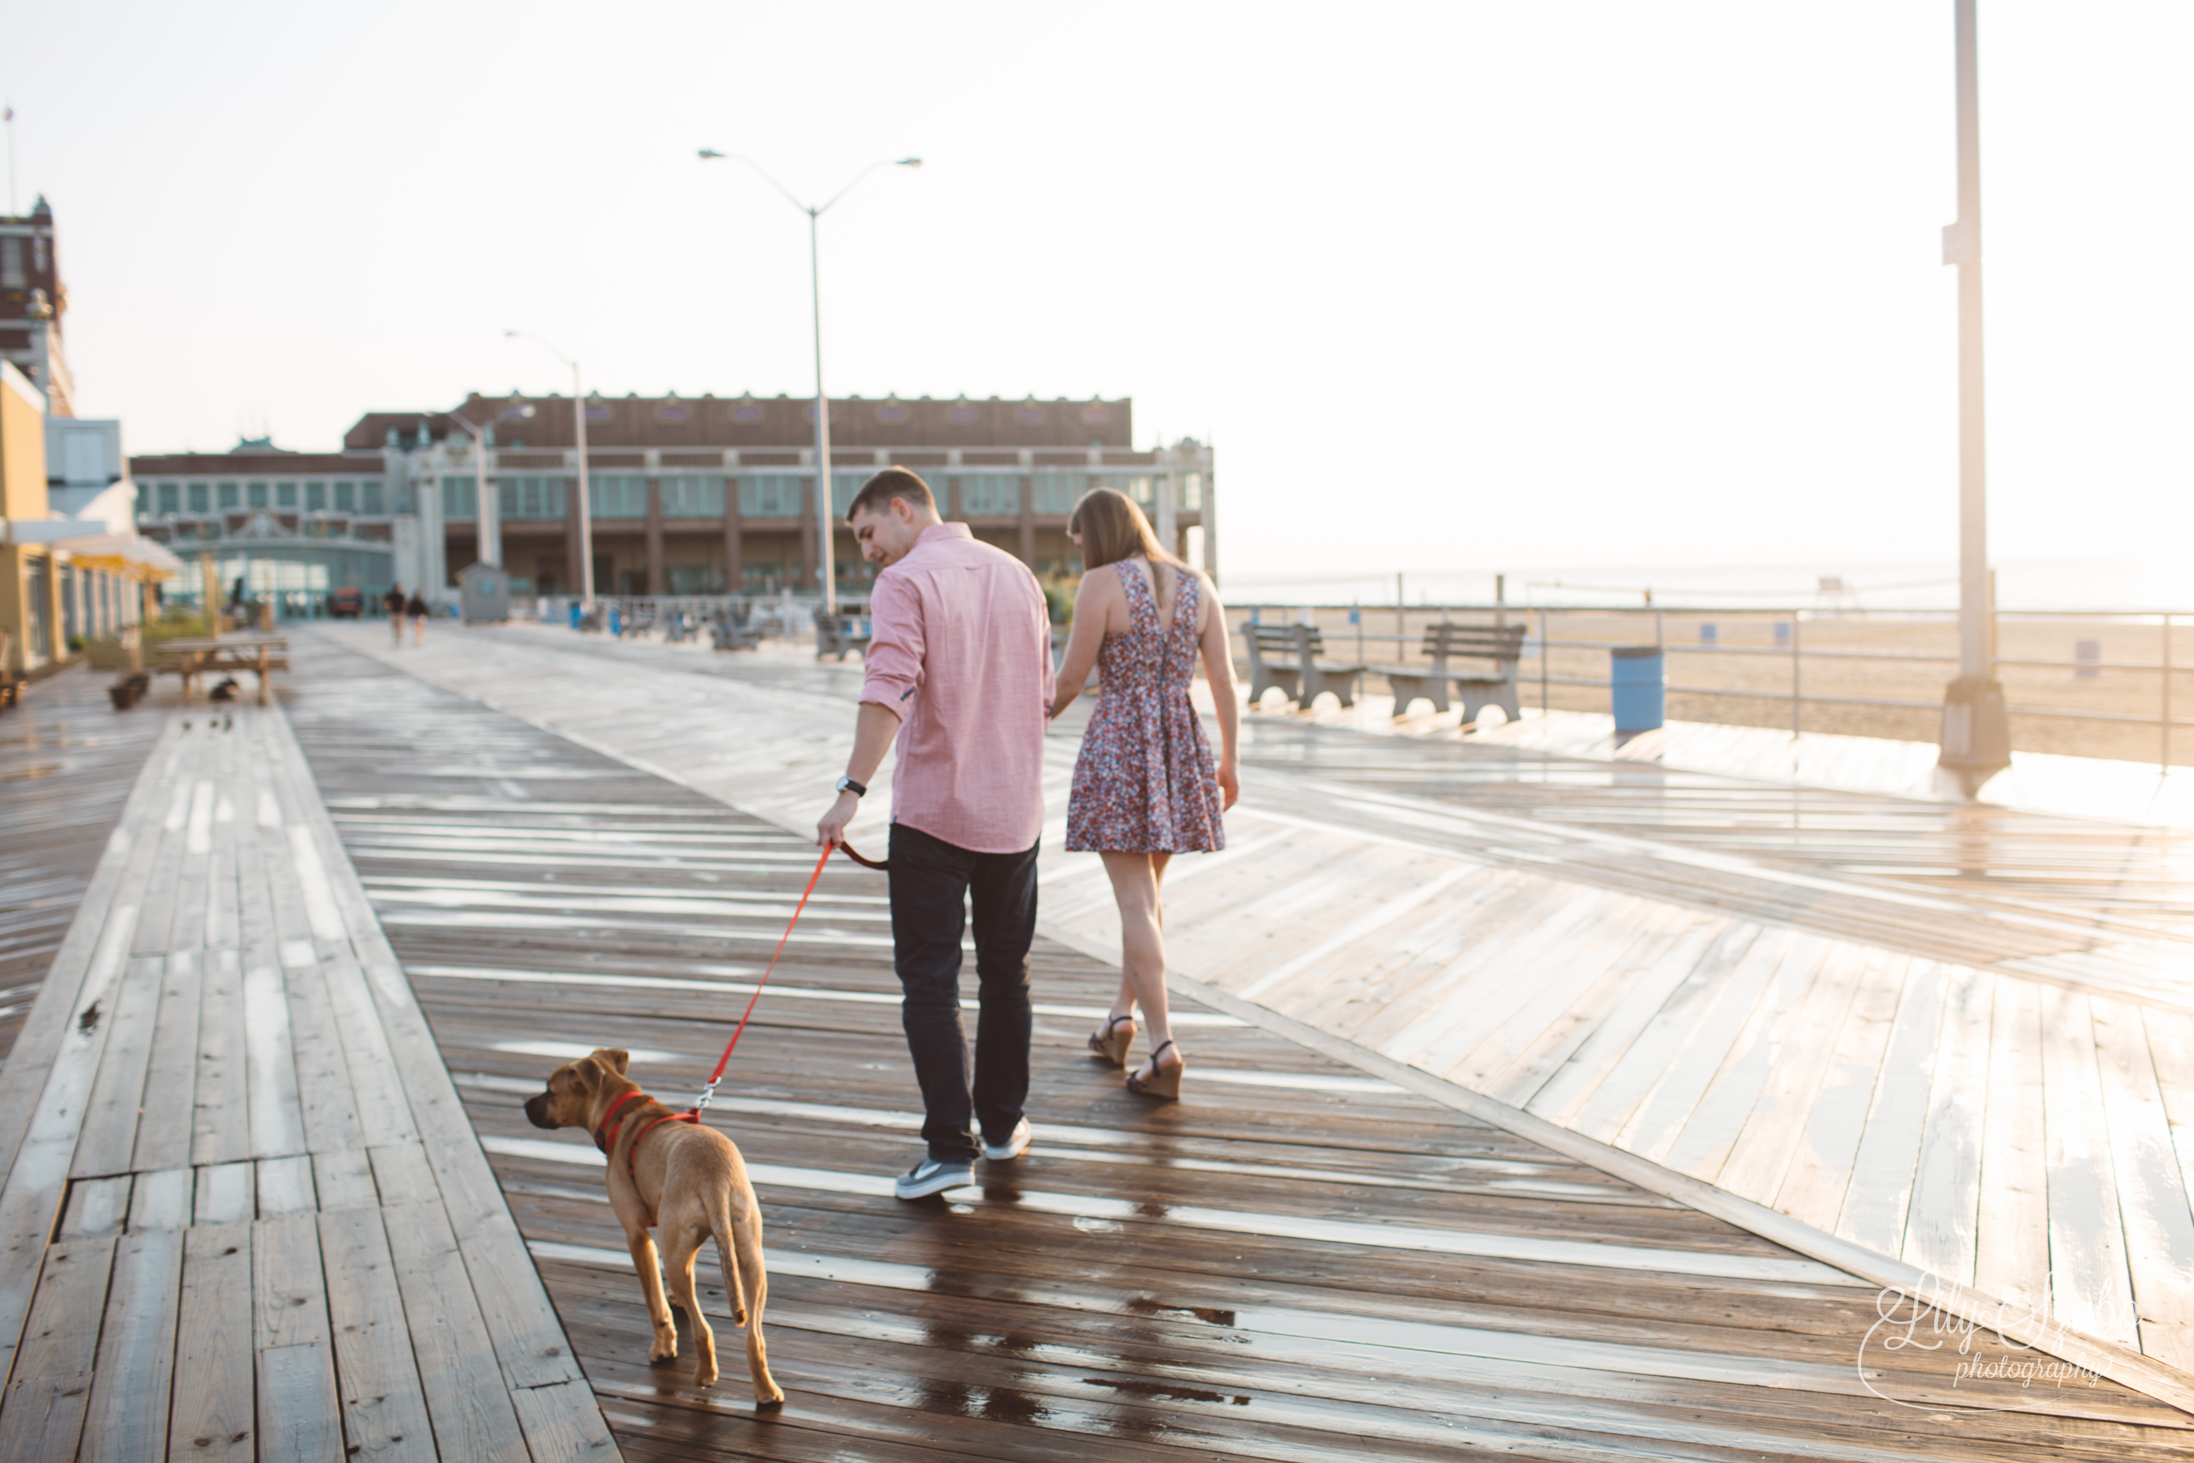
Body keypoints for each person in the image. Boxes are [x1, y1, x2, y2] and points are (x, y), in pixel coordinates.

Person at [816, 467, 1055, 1200]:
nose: (866, 552)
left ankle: (950, 1148)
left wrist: (849, 790)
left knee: (930, 982)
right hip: (1014, 815)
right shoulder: (1020, 577)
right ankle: (1005, 1126)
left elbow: (888, 684)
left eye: (866, 533)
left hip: (932, 817)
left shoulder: (905, 581)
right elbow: (1043, 694)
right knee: (1005, 975)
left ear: (901, 507)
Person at [1050, 488, 1239, 1099]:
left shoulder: (1101, 583)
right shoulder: (1198, 584)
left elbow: (1072, 680)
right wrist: (1229, 759)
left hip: (1120, 747)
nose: (1081, 556)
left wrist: (1019, 722)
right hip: (1180, 745)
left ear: (1097, 535)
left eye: (1081, 543)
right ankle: (1119, 1020)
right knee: (1149, 901)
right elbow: (1224, 679)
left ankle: (1161, 1046)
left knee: (1135, 903)